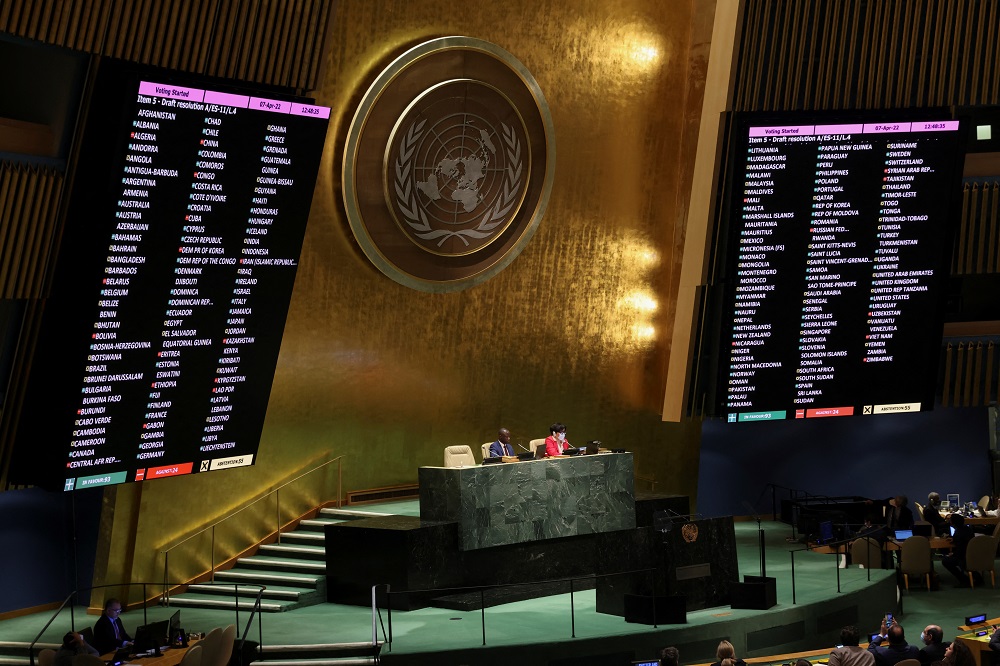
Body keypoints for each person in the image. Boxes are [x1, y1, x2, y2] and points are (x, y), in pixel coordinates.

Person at [942, 513, 978, 586]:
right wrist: (954, 539)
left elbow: (960, 551)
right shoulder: (968, 529)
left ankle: (964, 580)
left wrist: (952, 554)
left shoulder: (958, 533)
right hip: (972, 555)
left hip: (963, 557)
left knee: (946, 561)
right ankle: (978, 578)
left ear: (953, 523)